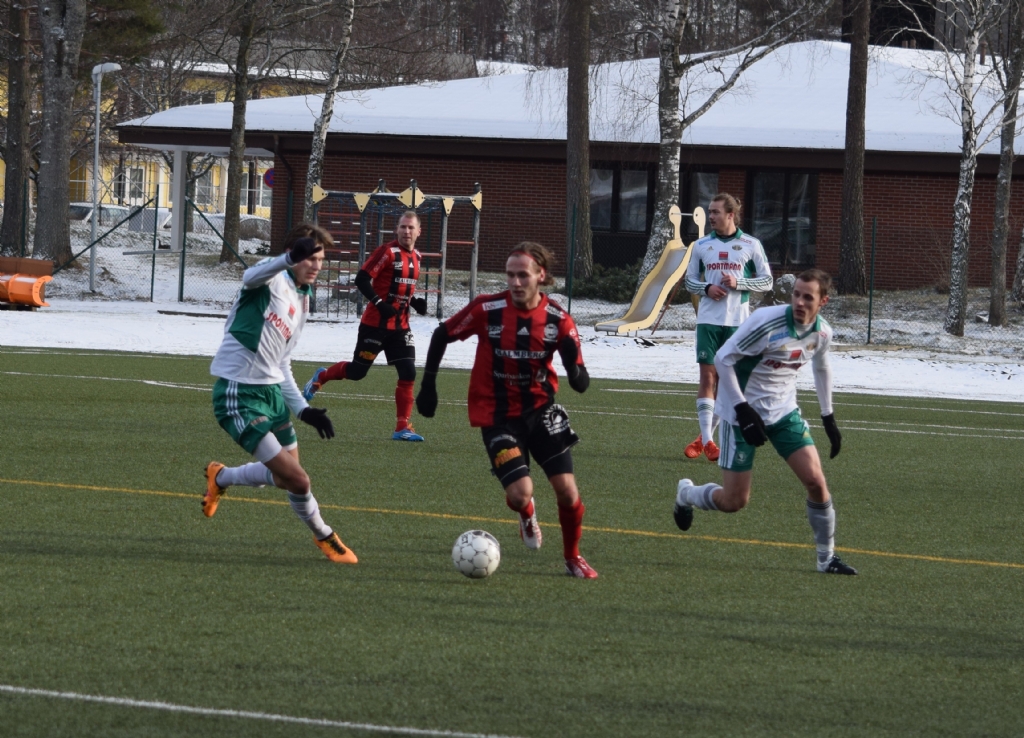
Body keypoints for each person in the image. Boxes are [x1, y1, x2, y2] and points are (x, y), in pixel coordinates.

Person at [415, 242, 599, 579]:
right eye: (510, 275)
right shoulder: (488, 309)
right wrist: (428, 386)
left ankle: (573, 557)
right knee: (520, 494)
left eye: (522, 275)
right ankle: (526, 512)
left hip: (542, 413)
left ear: (541, 275)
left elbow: (581, 384)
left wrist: (573, 367)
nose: (515, 282)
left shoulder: (559, 319)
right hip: (498, 416)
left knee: (568, 491)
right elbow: (442, 334)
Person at [673, 268, 856, 575]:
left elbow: (822, 367)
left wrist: (828, 417)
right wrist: (742, 409)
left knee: (816, 482)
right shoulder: (766, 322)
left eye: (807, 297)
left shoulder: (822, 332)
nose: (799, 302)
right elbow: (722, 359)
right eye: (796, 294)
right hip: (740, 415)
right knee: (734, 501)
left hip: (784, 413)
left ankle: (826, 559)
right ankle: (687, 494)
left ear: (823, 302)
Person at [204, 224, 357, 564]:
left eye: (320, 259)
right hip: (239, 392)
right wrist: (287, 259)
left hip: (272, 393)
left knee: (286, 478)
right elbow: (250, 276)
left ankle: (221, 476)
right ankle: (325, 536)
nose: (316, 265)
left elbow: (283, 361)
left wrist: (303, 410)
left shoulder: (303, 299)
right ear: (293, 254)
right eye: (309, 257)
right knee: (299, 480)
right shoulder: (271, 277)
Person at [303, 210, 429, 441]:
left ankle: (402, 427)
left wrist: (414, 303)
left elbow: (399, 289)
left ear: (419, 231)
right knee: (357, 372)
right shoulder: (387, 252)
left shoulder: (417, 257)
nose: (406, 231)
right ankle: (322, 375)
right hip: (375, 326)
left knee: (409, 371)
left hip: (400, 327)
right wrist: (380, 304)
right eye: (403, 227)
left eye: (411, 227)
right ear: (396, 229)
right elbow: (361, 279)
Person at [682, 193, 773, 461]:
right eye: (710, 212)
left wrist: (739, 283)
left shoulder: (751, 244)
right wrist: (707, 288)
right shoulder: (701, 245)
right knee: (707, 378)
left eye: (716, 212)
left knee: (727, 383)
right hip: (708, 322)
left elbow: (767, 281)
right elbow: (689, 281)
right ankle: (710, 442)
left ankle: (703, 439)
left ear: (731, 215)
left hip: (737, 324)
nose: (711, 216)